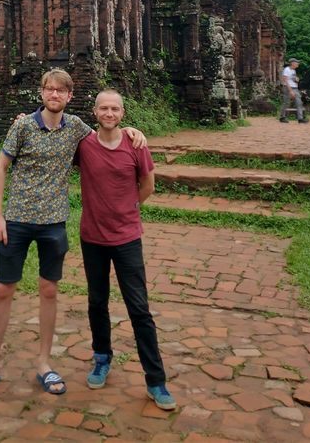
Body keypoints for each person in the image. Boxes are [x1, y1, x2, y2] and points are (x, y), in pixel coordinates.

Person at [0, 69, 146, 397]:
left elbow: (106, 133)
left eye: (62, 91)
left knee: (49, 291)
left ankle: (44, 363)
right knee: (4, 289)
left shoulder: (76, 128)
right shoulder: (22, 125)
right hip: (16, 220)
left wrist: (129, 130)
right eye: (50, 89)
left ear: (70, 96)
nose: (55, 95)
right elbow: (1, 166)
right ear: (42, 92)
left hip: (53, 223)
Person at [74, 89, 177, 411]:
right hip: (92, 236)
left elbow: (148, 184)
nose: (109, 113)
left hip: (127, 237)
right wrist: (25, 122)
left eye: (114, 109)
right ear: (95, 112)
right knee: (97, 301)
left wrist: (129, 208)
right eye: (103, 108)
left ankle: (155, 379)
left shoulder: (135, 144)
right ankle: (101, 357)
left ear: (122, 113)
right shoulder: (84, 145)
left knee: (139, 309)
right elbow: (51, 137)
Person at [279, 58, 308, 123]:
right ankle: (282, 117)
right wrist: (290, 91)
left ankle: (300, 118)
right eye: (297, 62)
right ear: (292, 63)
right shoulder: (287, 70)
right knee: (286, 102)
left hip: (295, 88)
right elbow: (285, 80)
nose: (298, 63)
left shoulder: (293, 71)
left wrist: (297, 80)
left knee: (299, 102)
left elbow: (293, 80)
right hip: (287, 87)